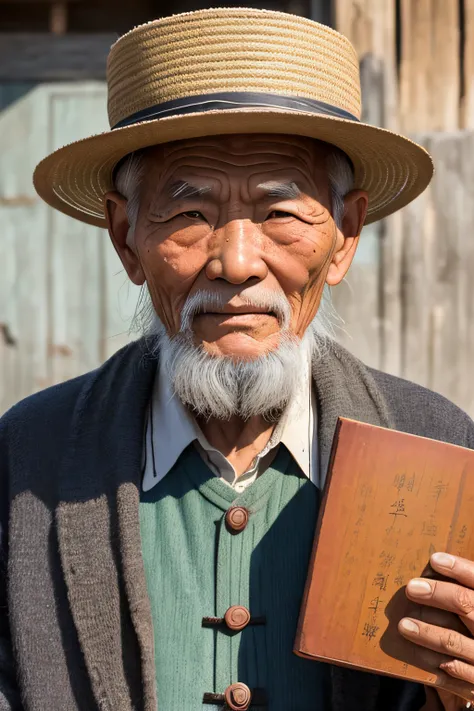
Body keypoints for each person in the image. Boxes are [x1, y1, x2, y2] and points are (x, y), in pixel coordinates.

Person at [1, 7, 473, 711]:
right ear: (126, 237)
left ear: (344, 237)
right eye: (190, 214)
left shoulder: (436, 446)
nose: (237, 263)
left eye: (281, 212)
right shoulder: (27, 461)